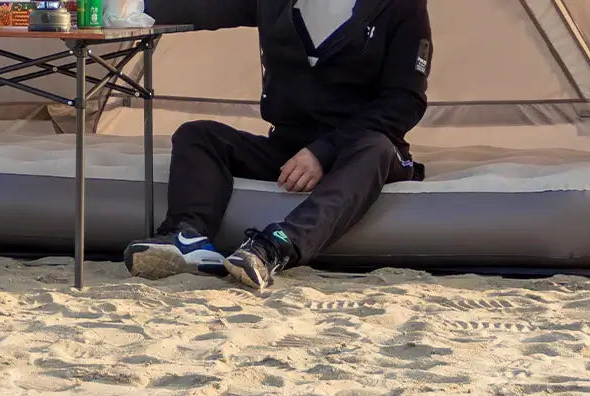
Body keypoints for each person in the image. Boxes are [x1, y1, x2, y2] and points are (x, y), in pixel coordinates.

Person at [124, 0, 432, 290]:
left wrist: (324, 152)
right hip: (289, 147)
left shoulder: (401, 5)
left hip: (361, 149)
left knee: (374, 148)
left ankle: (275, 247)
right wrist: (131, 5)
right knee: (198, 136)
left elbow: (405, 101)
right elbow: (206, 5)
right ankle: (186, 236)